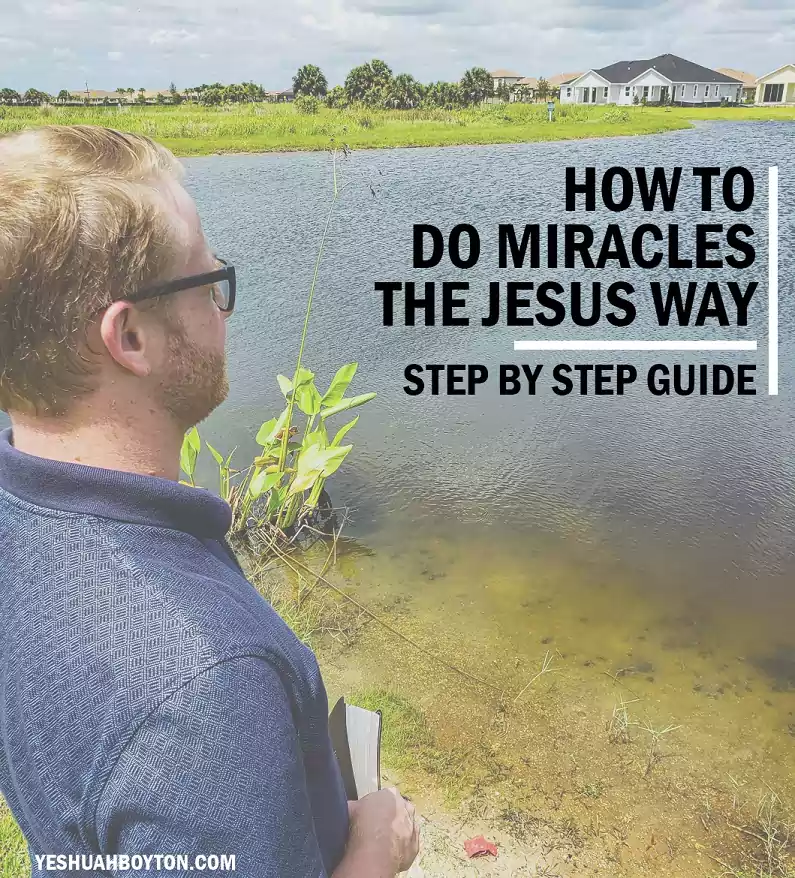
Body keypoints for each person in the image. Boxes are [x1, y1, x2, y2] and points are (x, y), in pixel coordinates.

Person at [0, 125, 419, 878]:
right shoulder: (203, 684)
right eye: (206, 282)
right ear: (129, 334)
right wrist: (372, 855)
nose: (223, 311)